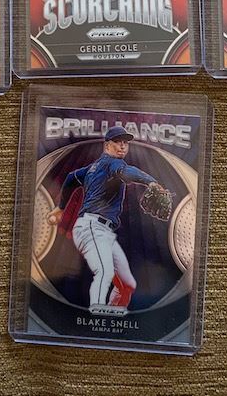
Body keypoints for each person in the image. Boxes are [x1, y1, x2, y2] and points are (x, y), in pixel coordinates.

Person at [47, 126, 166, 313]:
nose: (122, 146)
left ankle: (110, 315)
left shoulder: (92, 168)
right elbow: (127, 171)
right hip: (91, 227)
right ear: (107, 145)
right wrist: (150, 181)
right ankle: (98, 313)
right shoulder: (113, 164)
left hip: (102, 231)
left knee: (127, 284)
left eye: (125, 142)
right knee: (104, 272)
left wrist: (61, 207)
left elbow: (71, 178)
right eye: (117, 142)